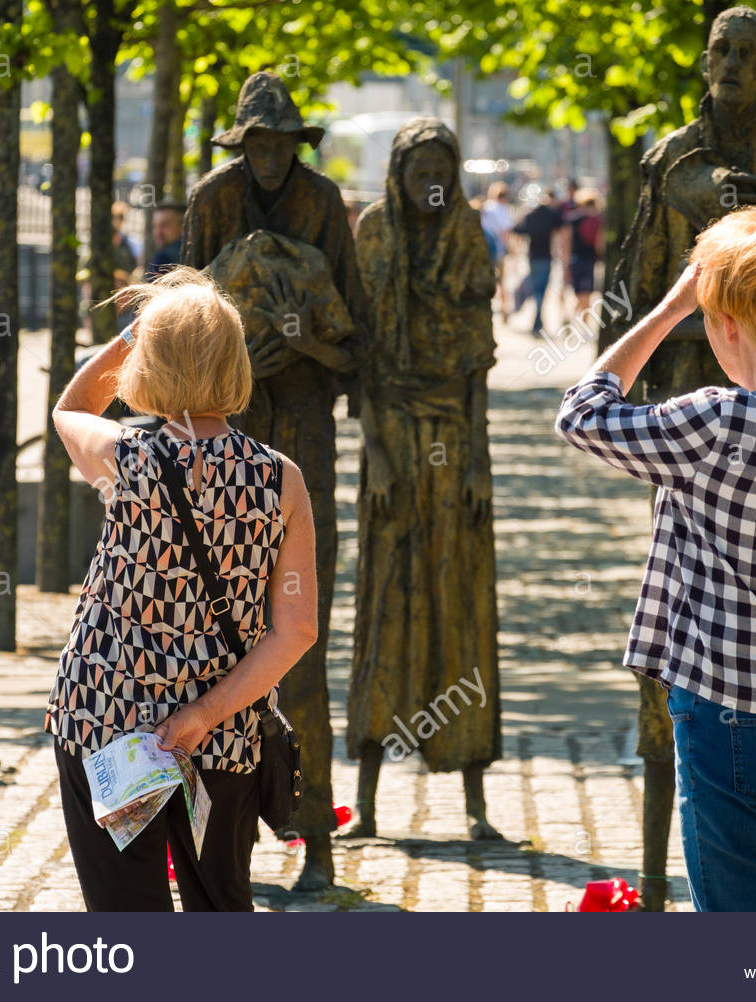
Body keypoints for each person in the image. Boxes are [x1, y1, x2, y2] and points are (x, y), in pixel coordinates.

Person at [556, 206, 756, 912]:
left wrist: (668, 308)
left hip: (734, 722)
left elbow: (581, 413)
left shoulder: (717, 420)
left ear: (726, 323)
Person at [602, 4, 756, 911]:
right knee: (674, 640)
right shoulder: (668, 160)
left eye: (750, 54)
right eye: (721, 50)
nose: (732, 64)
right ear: (703, 60)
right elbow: (629, 282)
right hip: (690, 426)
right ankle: (661, 878)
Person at [45, 267, 319, 911]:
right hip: (219, 731)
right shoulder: (281, 480)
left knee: (124, 912)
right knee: (218, 907)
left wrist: (126, 339)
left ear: (147, 363)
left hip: (104, 717)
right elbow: (296, 630)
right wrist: (201, 715)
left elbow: (69, 410)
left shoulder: (124, 458)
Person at [182, 70, 367, 891]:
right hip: (222, 438)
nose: (267, 158)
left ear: (296, 145)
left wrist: (309, 350)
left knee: (300, 642)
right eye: (254, 143)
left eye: (279, 144)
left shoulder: (324, 203)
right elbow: (178, 314)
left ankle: (316, 840)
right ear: (239, 145)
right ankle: (222, 843)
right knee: (216, 645)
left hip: (301, 436)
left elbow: (355, 333)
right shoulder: (211, 200)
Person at [346, 118, 503, 841]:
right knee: (387, 607)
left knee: (459, 608)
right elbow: (363, 360)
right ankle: (369, 800)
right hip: (392, 445)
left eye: (442, 171)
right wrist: (376, 452)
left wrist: (476, 461)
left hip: (452, 440)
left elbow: (477, 366)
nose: (430, 185)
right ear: (399, 176)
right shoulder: (374, 235)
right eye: (419, 172)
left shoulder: (468, 237)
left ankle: (474, 800)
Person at [512, 191, 564, 336]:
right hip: (546, 257)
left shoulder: (530, 216)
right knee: (541, 291)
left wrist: (516, 253)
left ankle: (537, 323)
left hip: (533, 258)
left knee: (537, 291)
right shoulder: (550, 215)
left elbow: (517, 230)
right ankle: (537, 324)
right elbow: (562, 231)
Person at [567, 189, 605, 316]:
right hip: (590, 259)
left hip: (575, 259)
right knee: (588, 294)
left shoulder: (573, 219)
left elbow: (567, 242)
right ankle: (584, 324)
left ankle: (572, 316)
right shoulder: (598, 220)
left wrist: (565, 262)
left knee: (578, 294)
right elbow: (599, 243)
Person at [479, 181, 515, 314]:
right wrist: (510, 248)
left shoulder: (485, 208)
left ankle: (486, 304)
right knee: (502, 280)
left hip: (483, 249)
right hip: (499, 249)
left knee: (485, 277)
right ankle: (504, 307)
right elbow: (506, 232)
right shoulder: (504, 210)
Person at [145, 202, 184, 281]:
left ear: (182, 226)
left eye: (165, 225)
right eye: (155, 226)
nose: (158, 232)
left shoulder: (162, 259)